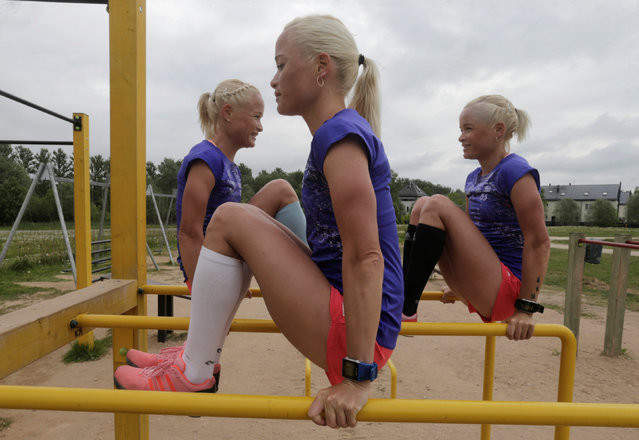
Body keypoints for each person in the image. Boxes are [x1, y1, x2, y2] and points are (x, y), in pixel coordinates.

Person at [114, 15, 403, 429]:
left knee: (230, 217)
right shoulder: (338, 131)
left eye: (282, 65)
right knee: (270, 195)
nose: (274, 79)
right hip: (356, 321)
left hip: (359, 336)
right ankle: (195, 357)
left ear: (321, 67)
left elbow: (367, 257)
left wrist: (357, 378)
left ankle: (194, 371)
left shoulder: (339, 135)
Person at [126, 79, 308, 369]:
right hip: (211, 263)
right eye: (256, 117)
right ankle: (313, 272)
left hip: (225, 256)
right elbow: (189, 232)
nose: (261, 127)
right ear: (227, 113)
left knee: (280, 190)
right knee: (281, 189)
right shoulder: (206, 159)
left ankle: (184, 358)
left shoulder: (227, 164)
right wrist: (203, 290)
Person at [401, 95, 550, 342]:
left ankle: (405, 309)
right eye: (461, 130)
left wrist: (526, 309)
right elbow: (474, 237)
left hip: (509, 290)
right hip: (484, 281)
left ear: (498, 131)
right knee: (421, 205)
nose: (461, 137)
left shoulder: (515, 171)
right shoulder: (473, 178)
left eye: (468, 129)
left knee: (436, 204)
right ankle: (402, 298)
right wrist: (461, 286)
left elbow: (539, 242)